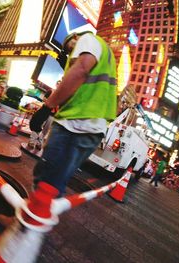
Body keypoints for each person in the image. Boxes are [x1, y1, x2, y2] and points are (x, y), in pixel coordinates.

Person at [29, 31, 117, 195]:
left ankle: (28, 219)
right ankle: (29, 217)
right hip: (91, 127)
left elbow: (80, 70)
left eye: (69, 48)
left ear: (75, 38)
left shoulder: (87, 39)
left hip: (75, 124)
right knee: (53, 182)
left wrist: (46, 108)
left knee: (46, 181)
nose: (70, 53)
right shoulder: (105, 52)